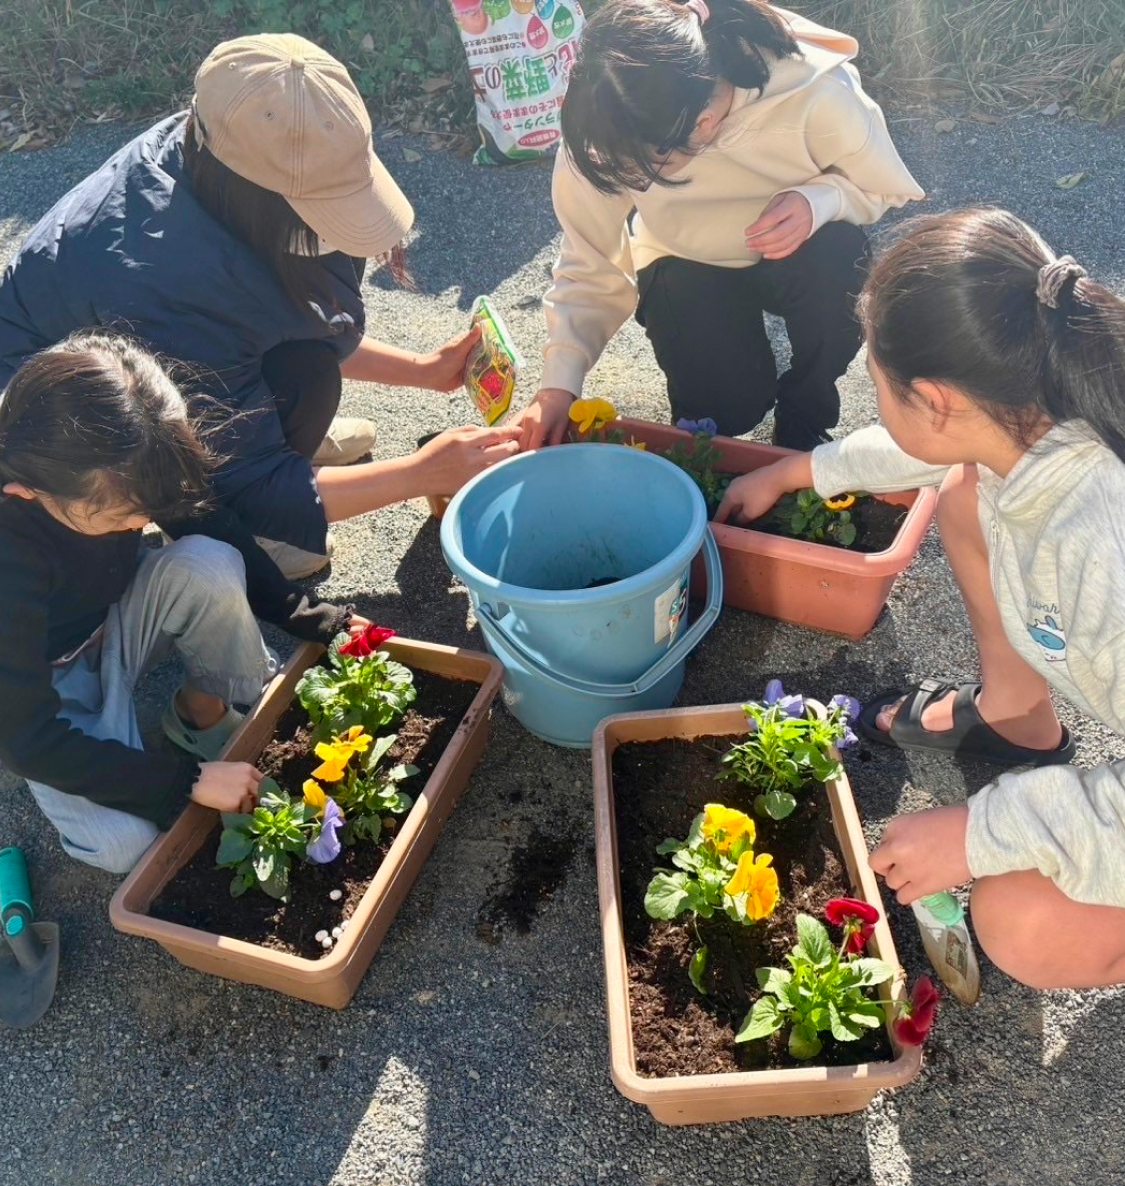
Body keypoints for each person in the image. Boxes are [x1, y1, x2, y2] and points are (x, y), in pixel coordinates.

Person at [716, 207, 1125, 993]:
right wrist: (795, 472)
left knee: (1020, 919)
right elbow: (923, 446)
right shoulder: (1050, 390)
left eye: (880, 388)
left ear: (934, 398)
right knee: (965, 488)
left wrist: (977, 832)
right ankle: (1014, 711)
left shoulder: (1099, 550)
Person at [0, 33, 519, 587]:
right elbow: (249, 478)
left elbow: (298, 310)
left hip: (183, 347)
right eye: (323, 212)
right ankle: (242, 537)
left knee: (309, 371)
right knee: (262, 445)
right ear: (257, 199)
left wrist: (422, 371)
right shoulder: (171, 282)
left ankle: (284, 447)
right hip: (69, 443)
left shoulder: (224, 146)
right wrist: (424, 472)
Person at [518, 0, 923, 453]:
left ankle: (804, 415)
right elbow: (590, 261)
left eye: (647, 165)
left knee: (837, 262)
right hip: (686, 261)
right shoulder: (609, 120)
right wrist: (558, 383)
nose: (625, 172)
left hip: (800, 254)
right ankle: (713, 433)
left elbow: (885, 187)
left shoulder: (816, 91)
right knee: (723, 411)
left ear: (706, 122)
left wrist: (823, 200)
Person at [0, 331, 286, 875]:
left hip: (108, 617)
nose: (141, 525)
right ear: (26, 496)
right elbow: (25, 740)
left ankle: (200, 715)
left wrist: (317, 618)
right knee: (124, 846)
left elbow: (204, 520)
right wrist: (187, 784)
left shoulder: (98, 443)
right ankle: (158, 748)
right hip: (38, 689)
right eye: (119, 519)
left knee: (209, 565)